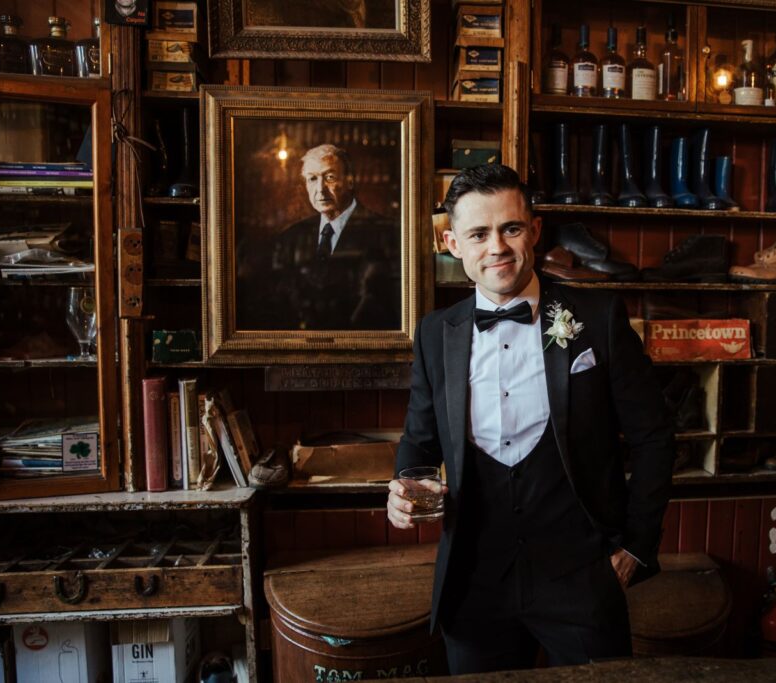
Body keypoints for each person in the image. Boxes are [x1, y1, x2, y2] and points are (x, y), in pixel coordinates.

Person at [388, 164, 674, 674]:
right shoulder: (435, 334)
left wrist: (636, 546)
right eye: (479, 233)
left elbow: (654, 436)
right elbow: (420, 441)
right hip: (475, 585)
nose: (496, 246)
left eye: (510, 228)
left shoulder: (600, 319)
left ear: (534, 231)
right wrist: (403, 489)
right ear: (452, 242)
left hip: (583, 578)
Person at [240, 143, 399, 330]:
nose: (320, 189)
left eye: (329, 177)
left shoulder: (386, 233)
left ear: (350, 182)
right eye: (312, 179)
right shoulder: (291, 236)